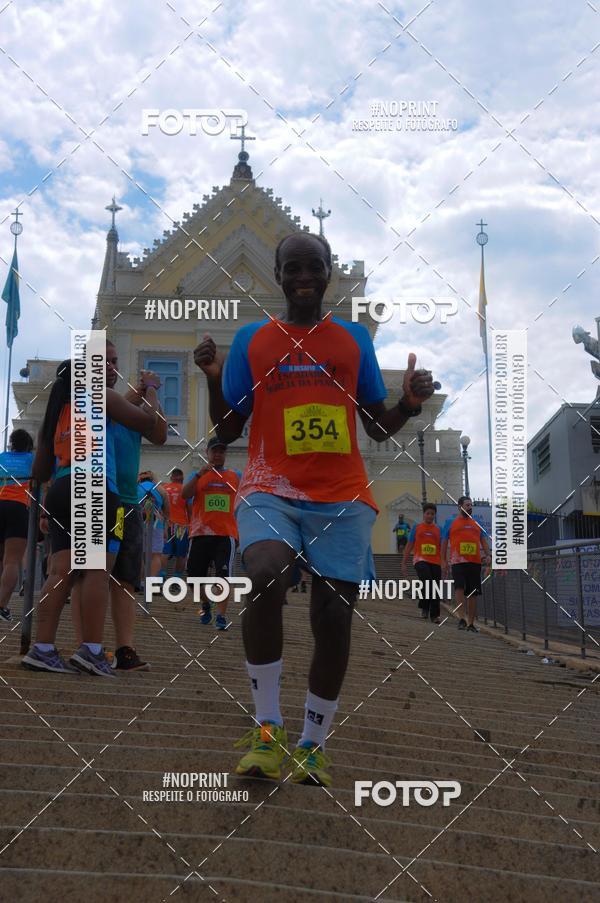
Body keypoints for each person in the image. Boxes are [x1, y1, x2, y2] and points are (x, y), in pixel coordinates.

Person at [194, 230, 435, 786]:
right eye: (292, 268)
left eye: (314, 267)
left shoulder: (352, 342)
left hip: (343, 496)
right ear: (277, 275)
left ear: (329, 273)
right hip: (269, 486)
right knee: (264, 573)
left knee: (332, 617)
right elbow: (227, 427)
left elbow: (376, 426)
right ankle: (267, 732)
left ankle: (312, 744)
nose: (303, 277)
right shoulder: (253, 341)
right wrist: (212, 378)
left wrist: (409, 404)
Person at [22, 356, 157, 675]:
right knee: (97, 570)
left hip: (61, 489)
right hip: (97, 487)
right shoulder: (100, 395)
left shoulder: (55, 412)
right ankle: (92, 651)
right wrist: (150, 388)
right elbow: (148, 423)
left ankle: (42, 648)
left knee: (60, 572)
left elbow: (39, 470)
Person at [105, 343, 167, 670]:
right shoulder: (97, 400)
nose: (113, 367)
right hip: (103, 496)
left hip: (127, 502)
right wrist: (145, 393)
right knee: (91, 575)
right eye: (107, 362)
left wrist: (150, 394)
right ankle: (87, 645)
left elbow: (158, 433)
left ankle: (124, 648)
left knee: (125, 577)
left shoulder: (131, 406)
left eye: (116, 362)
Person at [181, 438, 240, 630]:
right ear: (207, 453)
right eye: (214, 451)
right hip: (200, 533)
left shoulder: (234, 475)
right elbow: (185, 495)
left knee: (223, 577)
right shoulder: (197, 476)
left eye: (222, 452)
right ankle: (206, 604)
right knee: (193, 578)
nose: (218, 455)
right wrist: (199, 474)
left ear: (225, 455)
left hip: (226, 533)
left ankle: (221, 616)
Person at [441, 496, 491, 633]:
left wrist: (488, 555)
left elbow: (484, 541)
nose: (470, 507)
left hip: (474, 562)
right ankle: (461, 618)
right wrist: (443, 561)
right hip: (458, 561)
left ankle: (471, 623)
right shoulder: (450, 523)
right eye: (467, 505)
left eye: (471, 505)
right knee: (459, 588)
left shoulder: (477, 522)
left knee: (473, 593)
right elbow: (444, 543)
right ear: (460, 507)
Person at [0, 429, 34, 622]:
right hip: (18, 507)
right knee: (11, 561)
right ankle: (2, 606)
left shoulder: (1, 457)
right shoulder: (31, 459)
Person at [402, 502, 442, 623]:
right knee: (427, 581)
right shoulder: (417, 527)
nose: (430, 516)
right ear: (423, 514)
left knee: (435, 587)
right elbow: (410, 544)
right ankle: (425, 606)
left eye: (432, 514)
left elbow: (442, 546)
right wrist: (404, 562)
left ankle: (433, 614)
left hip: (435, 561)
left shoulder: (438, 529)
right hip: (420, 560)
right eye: (428, 513)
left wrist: (445, 561)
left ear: (435, 515)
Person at [138, 470, 170, 584]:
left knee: (139, 553)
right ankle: (150, 582)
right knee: (156, 555)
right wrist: (166, 529)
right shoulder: (160, 489)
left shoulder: (135, 487)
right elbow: (166, 512)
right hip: (157, 524)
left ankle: (141, 581)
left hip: (139, 522)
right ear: (152, 479)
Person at [161, 468, 190, 580]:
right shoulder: (184, 489)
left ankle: (161, 579)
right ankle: (176, 581)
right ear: (182, 479)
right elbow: (190, 509)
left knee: (165, 552)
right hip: (181, 526)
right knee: (181, 554)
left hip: (167, 525)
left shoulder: (163, 489)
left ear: (171, 477)